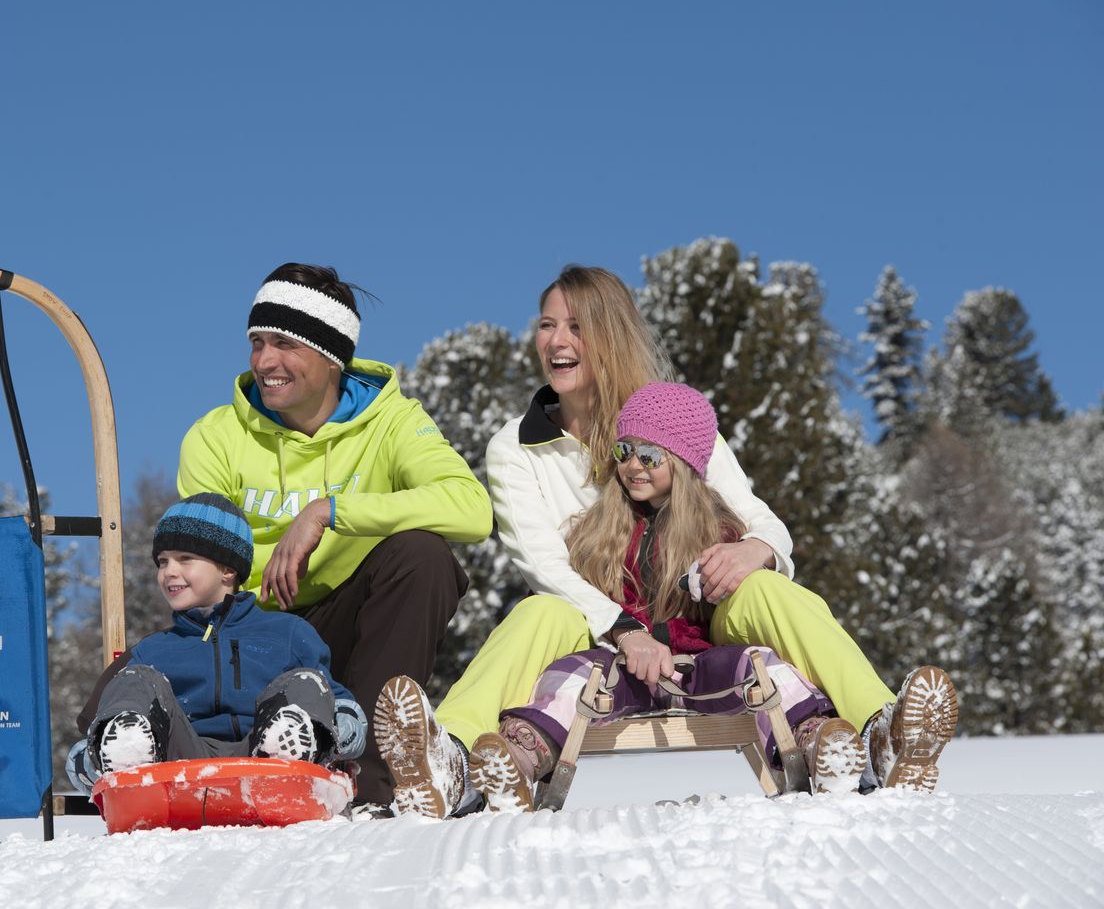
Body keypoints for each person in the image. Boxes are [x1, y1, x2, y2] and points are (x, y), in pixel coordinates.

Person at [373, 266, 958, 818]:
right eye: (548, 324)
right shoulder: (515, 447)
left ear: (612, 335)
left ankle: (885, 730)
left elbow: (763, 521)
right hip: (589, 626)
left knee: (767, 592)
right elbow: (543, 565)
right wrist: (625, 633)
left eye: (578, 326)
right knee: (538, 612)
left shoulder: (670, 420)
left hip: (701, 617)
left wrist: (753, 551)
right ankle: (446, 753)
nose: (557, 341)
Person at [176, 264, 492, 806]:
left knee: (423, 556)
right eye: (257, 342)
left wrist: (330, 511)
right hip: (258, 631)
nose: (264, 362)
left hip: (354, 635)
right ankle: (237, 751)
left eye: (284, 344)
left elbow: (471, 509)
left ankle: (372, 781)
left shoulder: (393, 422)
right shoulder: (216, 436)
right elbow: (199, 567)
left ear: (331, 356)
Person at [65, 493, 366, 792]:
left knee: (305, 680)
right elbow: (110, 709)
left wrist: (343, 728)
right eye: (162, 561)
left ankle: (288, 749)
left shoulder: (286, 633)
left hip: (261, 759)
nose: (169, 571)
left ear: (228, 569)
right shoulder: (153, 650)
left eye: (185, 559)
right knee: (136, 678)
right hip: (179, 768)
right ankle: (128, 757)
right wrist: (88, 760)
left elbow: (333, 697)